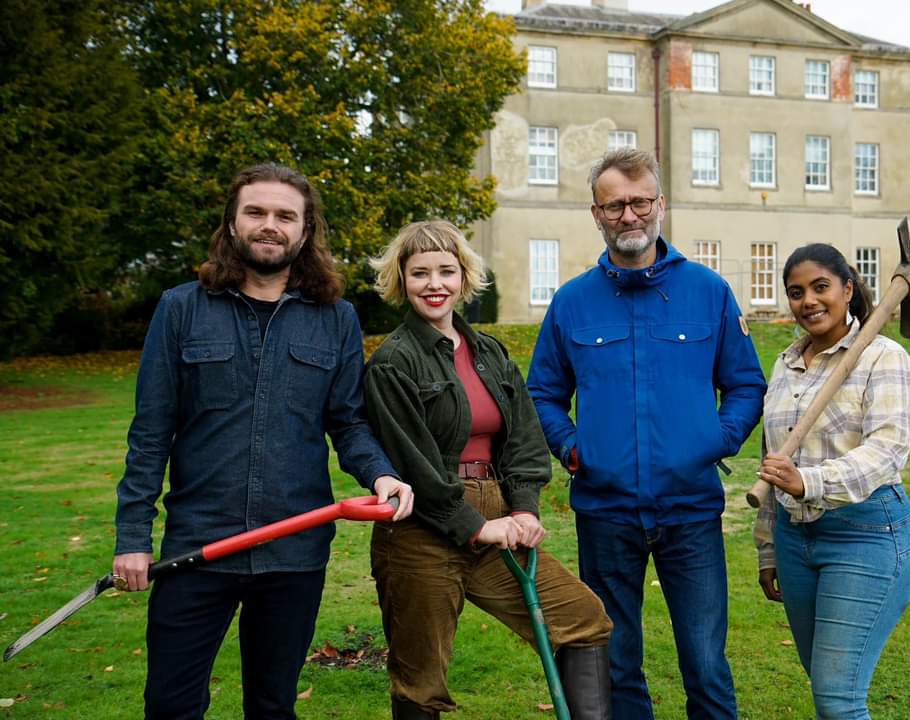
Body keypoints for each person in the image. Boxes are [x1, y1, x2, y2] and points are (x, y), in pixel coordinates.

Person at [112, 163, 413, 719]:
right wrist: (133, 537)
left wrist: (381, 474)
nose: (269, 224)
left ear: (305, 229)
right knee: (170, 706)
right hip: (197, 547)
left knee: (273, 707)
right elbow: (150, 434)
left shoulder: (336, 319)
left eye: (285, 215)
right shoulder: (181, 308)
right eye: (255, 212)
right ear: (232, 224)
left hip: (293, 552)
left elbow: (347, 423)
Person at [527, 148, 767, 720]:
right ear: (596, 213)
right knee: (615, 662)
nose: (628, 215)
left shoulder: (708, 292)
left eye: (640, 202)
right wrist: (572, 447)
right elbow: (541, 394)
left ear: (661, 204)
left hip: (691, 512)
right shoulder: (571, 302)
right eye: (615, 205)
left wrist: (716, 440)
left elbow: (745, 385)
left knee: (705, 661)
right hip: (605, 512)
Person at [363, 220, 614, 720]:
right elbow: (415, 463)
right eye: (419, 273)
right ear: (400, 280)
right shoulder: (393, 362)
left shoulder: (489, 353)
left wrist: (523, 508)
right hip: (422, 534)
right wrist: (474, 526)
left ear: (463, 277)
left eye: (446, 271)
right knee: (420, 680)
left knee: (583, 619)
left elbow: (523, 437)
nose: (434, 284)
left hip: (495, 520)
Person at [753, 243, 910, 719]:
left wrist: (808, 481)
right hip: (795, 540)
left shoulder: (884, 359)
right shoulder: (785, 365)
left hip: (865, 533)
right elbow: (772, 460)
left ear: (847, 289)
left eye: (821, 287)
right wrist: (768, 547)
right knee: (827, 686)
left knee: (838, 699)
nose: (808, 300)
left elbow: (886, 452)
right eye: (796, 292)